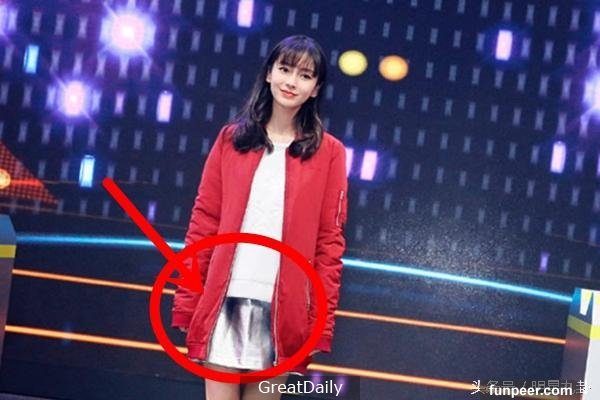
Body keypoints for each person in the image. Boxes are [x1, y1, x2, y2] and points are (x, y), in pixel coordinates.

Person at [171, 35, 348, 400]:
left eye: (305, 75)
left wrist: (320, 325)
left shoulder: (329, 153)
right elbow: (203, 224)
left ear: (316, 89)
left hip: (282, 311)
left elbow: (329, 244)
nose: (291, 82)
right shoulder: (231, 140)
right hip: (224, 301)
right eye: (285, 69)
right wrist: (188, 302)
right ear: (269, 73)